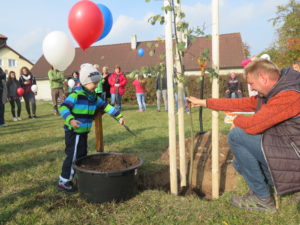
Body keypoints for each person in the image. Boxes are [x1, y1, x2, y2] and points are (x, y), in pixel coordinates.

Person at [187, 59, 300, 213]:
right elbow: (243, 103)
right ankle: (272, 186)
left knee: (237, 135)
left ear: (263, 78)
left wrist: (236, 121)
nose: (252, 89)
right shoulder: (275, 90)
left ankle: (263, 200)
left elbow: (255, 125)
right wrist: (204, 102)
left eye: (252, 84)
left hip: (295, 156)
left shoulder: (290, 95)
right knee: (240, 164)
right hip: (289, 149)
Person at [58, 63, 125, 193]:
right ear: (85, 82)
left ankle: (79, 176)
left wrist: (119, 115)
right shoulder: (76, 95)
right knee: (72, 156)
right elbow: (64, 107)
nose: (96, 85)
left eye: (97, 83)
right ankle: (64, 181)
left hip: (83, 132)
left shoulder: (93, 97)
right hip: (74, 132)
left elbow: (105, 106)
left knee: (82, 156)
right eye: (93, 83)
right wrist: (70, 120)